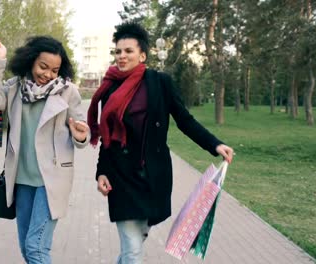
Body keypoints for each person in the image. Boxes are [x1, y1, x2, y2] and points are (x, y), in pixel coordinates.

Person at [87, 22, 234, 264]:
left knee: (135, 243)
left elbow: (184, 120)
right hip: (121, 178)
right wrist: (101, 172)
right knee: (133, 252)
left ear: (142, 55)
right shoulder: (110, 88)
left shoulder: (160, 82)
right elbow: (108, 137)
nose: (121, 56)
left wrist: (215, 144)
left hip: (152, 177)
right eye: (118, 51)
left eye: (128, 51)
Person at [0, 36, 90, 264]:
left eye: (54, 70)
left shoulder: (67, 92)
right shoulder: (15, 88)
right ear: (30, 61)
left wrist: (81, 135)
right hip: (21, 180)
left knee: (35, 247)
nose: (48, 74)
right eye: (43, 66)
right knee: (27, 247)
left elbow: (82, 131)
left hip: (51, 181)